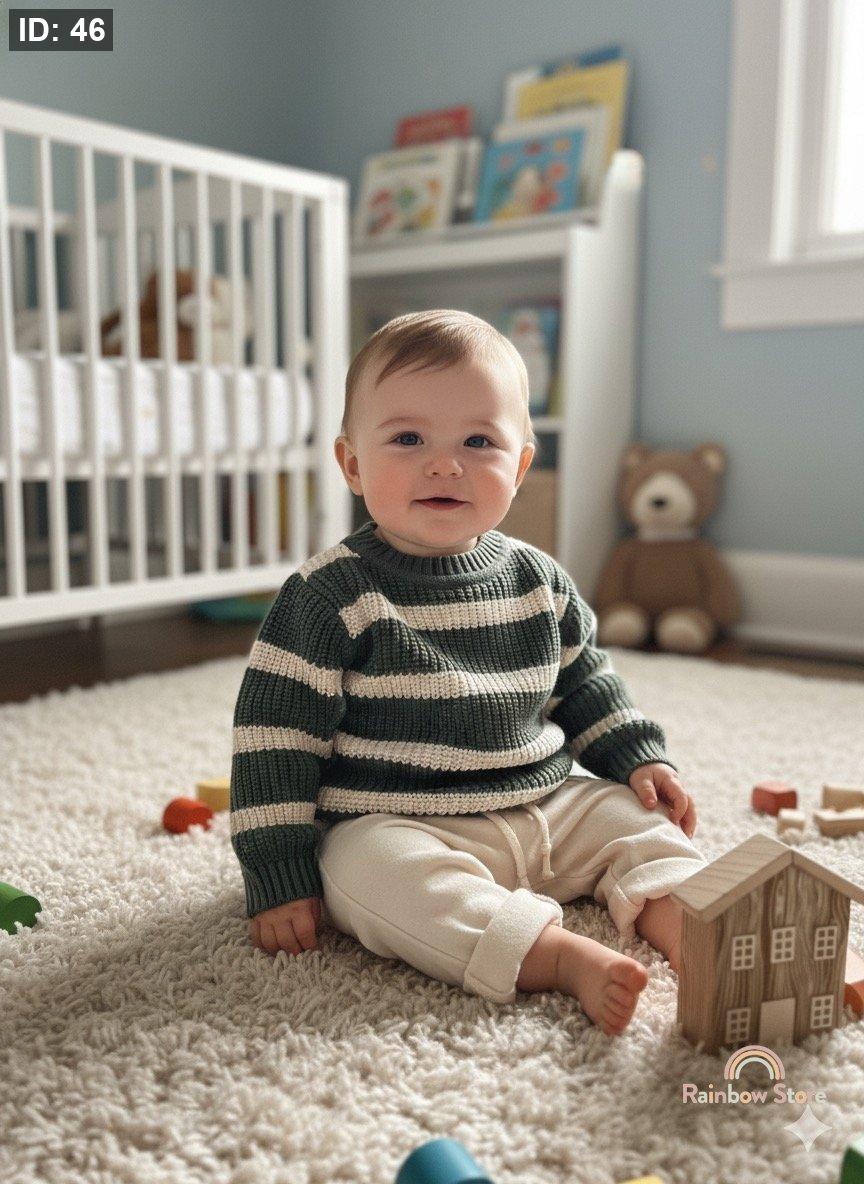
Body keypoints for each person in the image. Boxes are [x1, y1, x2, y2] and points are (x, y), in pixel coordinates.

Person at [229, 309, 709, 1036]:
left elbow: (585, 684)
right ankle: (555, 956)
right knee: (362, 873)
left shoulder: (538, 579)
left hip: (546, 805)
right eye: (408, 439)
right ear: (352, 464)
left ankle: (700, 932)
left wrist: (638, 758)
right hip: (398, 818)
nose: (445, 465)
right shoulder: (330, 595)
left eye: (478, 442)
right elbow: (274, 740)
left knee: (640, 823)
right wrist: (277, 871)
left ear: (519, 466)